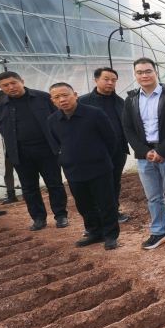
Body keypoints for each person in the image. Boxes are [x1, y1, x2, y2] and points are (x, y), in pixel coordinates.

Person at [122, 58, 165, 250]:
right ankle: (159, 231)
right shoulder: (131, 99)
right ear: (135, 75)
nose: (144, 75)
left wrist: (162, 150)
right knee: (153, 197)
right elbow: (128, 128)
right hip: (145, 156)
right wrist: (144, 152)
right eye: (140, 72)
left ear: (156, 73)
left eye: (148, 71)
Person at [47, 83, 119, 250]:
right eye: (57, 97)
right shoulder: (53, 120)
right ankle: (94, 232)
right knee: (84, 204)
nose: (62, 99)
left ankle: (110, 235)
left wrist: (101, 156)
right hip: (72, 169)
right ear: (52, 101)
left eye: (65, 95)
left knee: (106, 203)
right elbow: (57, 142)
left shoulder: (94, 113)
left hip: (99, 167)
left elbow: (110, 138)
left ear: (75, 94)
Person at [0, 72, 68, 231]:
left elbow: (57, 118)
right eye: (5, 85)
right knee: (29, 187)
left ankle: (61, 215)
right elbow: (2, 129)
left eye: (13, 83)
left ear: (22, 81)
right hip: (20, 152)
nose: (11, 87)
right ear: (0, 87)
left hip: (47, 148)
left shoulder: (42, 97)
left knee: (54, 183)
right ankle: (38, 218)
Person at [77, 67, 131, 223]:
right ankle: (97, 214)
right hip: (94, 150)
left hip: (118, 149)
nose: (110, 83)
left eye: (113, 80)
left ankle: (113, 211)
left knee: (115, 181)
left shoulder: (120, 102)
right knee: (95, 183)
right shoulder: (83, 101)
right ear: (96, 80)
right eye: (106, 79)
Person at [0, 90, 19, 206]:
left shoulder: (16, 110)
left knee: (24, 170)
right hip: (3, 148)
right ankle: (11, 195)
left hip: (19, 146)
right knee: (7, 171)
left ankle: (29, 191)